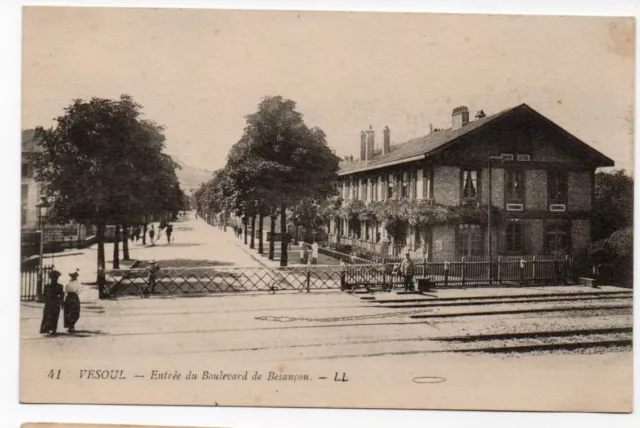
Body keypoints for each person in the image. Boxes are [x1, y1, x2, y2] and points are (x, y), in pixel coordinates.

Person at [39, 269, 64, 335]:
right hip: (55, 303)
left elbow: (44, 295)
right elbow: (62, 295)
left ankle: (46, 329)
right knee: (54, 316)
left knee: (47, 316)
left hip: (48, 303)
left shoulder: (46, 286)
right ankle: (52, 329)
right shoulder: (60, 286)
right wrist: (61, 303)